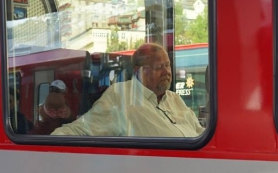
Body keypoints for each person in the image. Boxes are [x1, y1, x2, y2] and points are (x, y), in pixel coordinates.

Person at [51, 44, 204, 138]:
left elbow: (200, 133)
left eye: (168, 65)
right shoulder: (121, 96)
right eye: (159, 67)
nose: (167, 72)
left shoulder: (174, 99)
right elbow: (80, 130)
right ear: (139, 71)